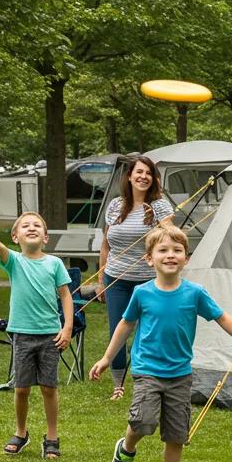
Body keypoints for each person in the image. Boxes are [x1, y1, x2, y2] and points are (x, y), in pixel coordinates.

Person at [90, 224, 232, 462]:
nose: (171, 255)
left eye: (177, 250)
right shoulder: (142, 293)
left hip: (180, 374)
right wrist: (107, 357)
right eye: (163, 250)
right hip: (147, 371)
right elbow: (125, 324)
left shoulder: (194, 293)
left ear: (186, 258)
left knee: (176, 433)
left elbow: (222, 317)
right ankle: (126, 449)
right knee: (143, 421)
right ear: (149, 258)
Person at [0, 212, 74, 459]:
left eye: (37, 225)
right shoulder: (14, 261)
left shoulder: (54, 263)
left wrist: (67, 327)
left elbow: (66, 296)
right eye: (25, 226)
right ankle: (21, 433)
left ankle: (52, 436)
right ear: (16, 237)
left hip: (50, 335)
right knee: (21, 389)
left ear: (46, 237)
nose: (31, 228)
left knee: (49, 387)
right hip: (22, 335)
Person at [98, 154, 174, 400]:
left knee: (148, 332)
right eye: (139, 172)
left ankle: (145, 380)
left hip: (149, 280)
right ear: (129, 176)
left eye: (149, 174)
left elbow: (171, 236)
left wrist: (162, 222)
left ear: (154, 179)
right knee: (117, 330)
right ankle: (118, 385)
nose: (143, 177)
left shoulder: (160, 206)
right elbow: (105, 245)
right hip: (116, 279)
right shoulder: (115, 206)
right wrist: (100, 280)